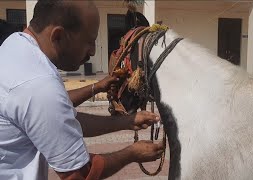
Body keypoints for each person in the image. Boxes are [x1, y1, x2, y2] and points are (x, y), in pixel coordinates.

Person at [0, 0, 164, 179]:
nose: (93, 52)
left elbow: (61, 116)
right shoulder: (39, 85)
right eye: (89, 42)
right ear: (58, 36)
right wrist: (132, 153)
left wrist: (126, 120)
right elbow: (80, 174)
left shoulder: (16, 48)